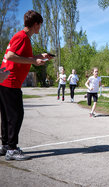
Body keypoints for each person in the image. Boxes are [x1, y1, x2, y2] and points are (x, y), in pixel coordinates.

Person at [0, 10, 52, 161]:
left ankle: (5, 146)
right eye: (40, 25)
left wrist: (39, 57)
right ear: (36, 24)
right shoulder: (21, 36)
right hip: (9, 82)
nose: (40, 28)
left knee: (7, 116)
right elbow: (10, 56)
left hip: (5, 81)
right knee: (16, 116)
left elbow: (22, 57)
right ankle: (12, 149)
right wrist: (33, 61)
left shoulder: (23, 38)